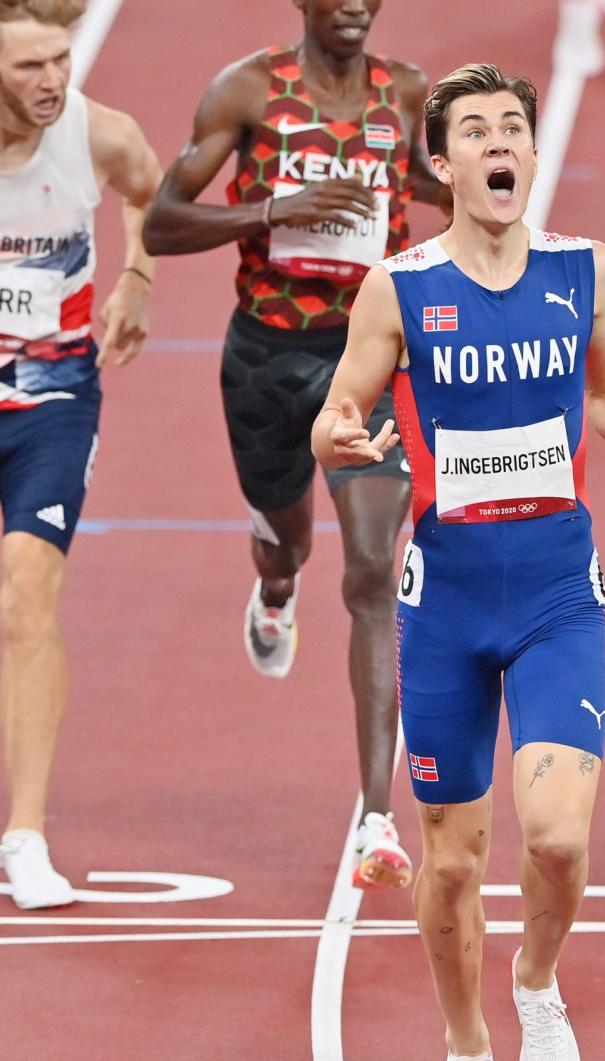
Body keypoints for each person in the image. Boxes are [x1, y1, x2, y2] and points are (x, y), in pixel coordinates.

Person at [312, 63, 605, 1061]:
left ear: (529, 152)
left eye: (512, 126)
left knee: (561, 840)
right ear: (442, 163)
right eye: (474, 130)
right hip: (447, 605)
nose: (498, 143)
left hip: (559, 592)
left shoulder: (585, 270)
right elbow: (342, 406)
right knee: (459, 864)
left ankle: (535, 978)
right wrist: (338, 433)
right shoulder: (399, 288)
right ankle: (466, 1053)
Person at [143, 0, 452, 890]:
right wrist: (277, 208)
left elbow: (431, 187)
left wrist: (479, 188)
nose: (355, 4)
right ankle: (275, 588)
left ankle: (378, 822)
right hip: (267, 358)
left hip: (373, 359)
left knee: (369, 568)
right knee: (292, 540)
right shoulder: (247, 91)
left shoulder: (406, 95)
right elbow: (163, 222)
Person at [0, 0, 159, 909]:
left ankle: (25, 833)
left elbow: (150, 187)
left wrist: (137, 274)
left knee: (28, 588)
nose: (53, 81)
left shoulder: (97, 134)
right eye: (28, 68)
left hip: (53, 401)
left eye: (59, 60)